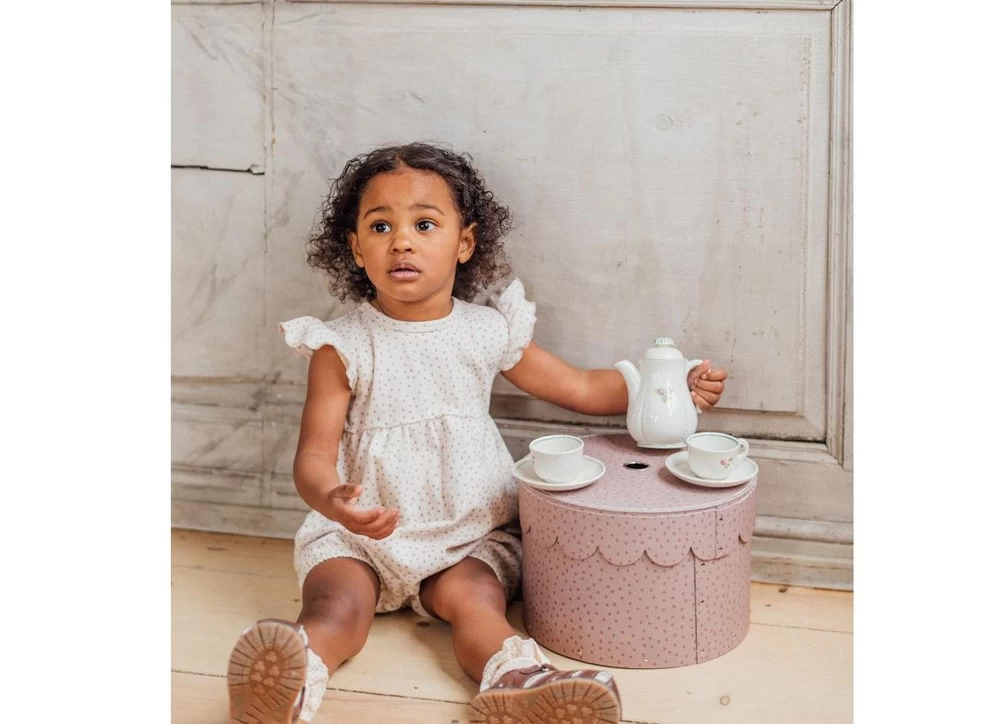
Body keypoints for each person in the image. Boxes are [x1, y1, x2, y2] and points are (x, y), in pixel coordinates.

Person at [227, 142, 728, 724]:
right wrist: (333, 500)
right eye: (381, 226)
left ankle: (523, 683)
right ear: (357, 248)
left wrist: (668, 385)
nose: (402, 241)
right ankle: (291, 674)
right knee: (337, 606)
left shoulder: (486, 330)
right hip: (361, 538)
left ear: (464, 243)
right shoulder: (341, 346)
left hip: (466, 534)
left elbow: (581, 387)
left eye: (424, 224)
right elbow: (313, 455)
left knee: (478, 604)